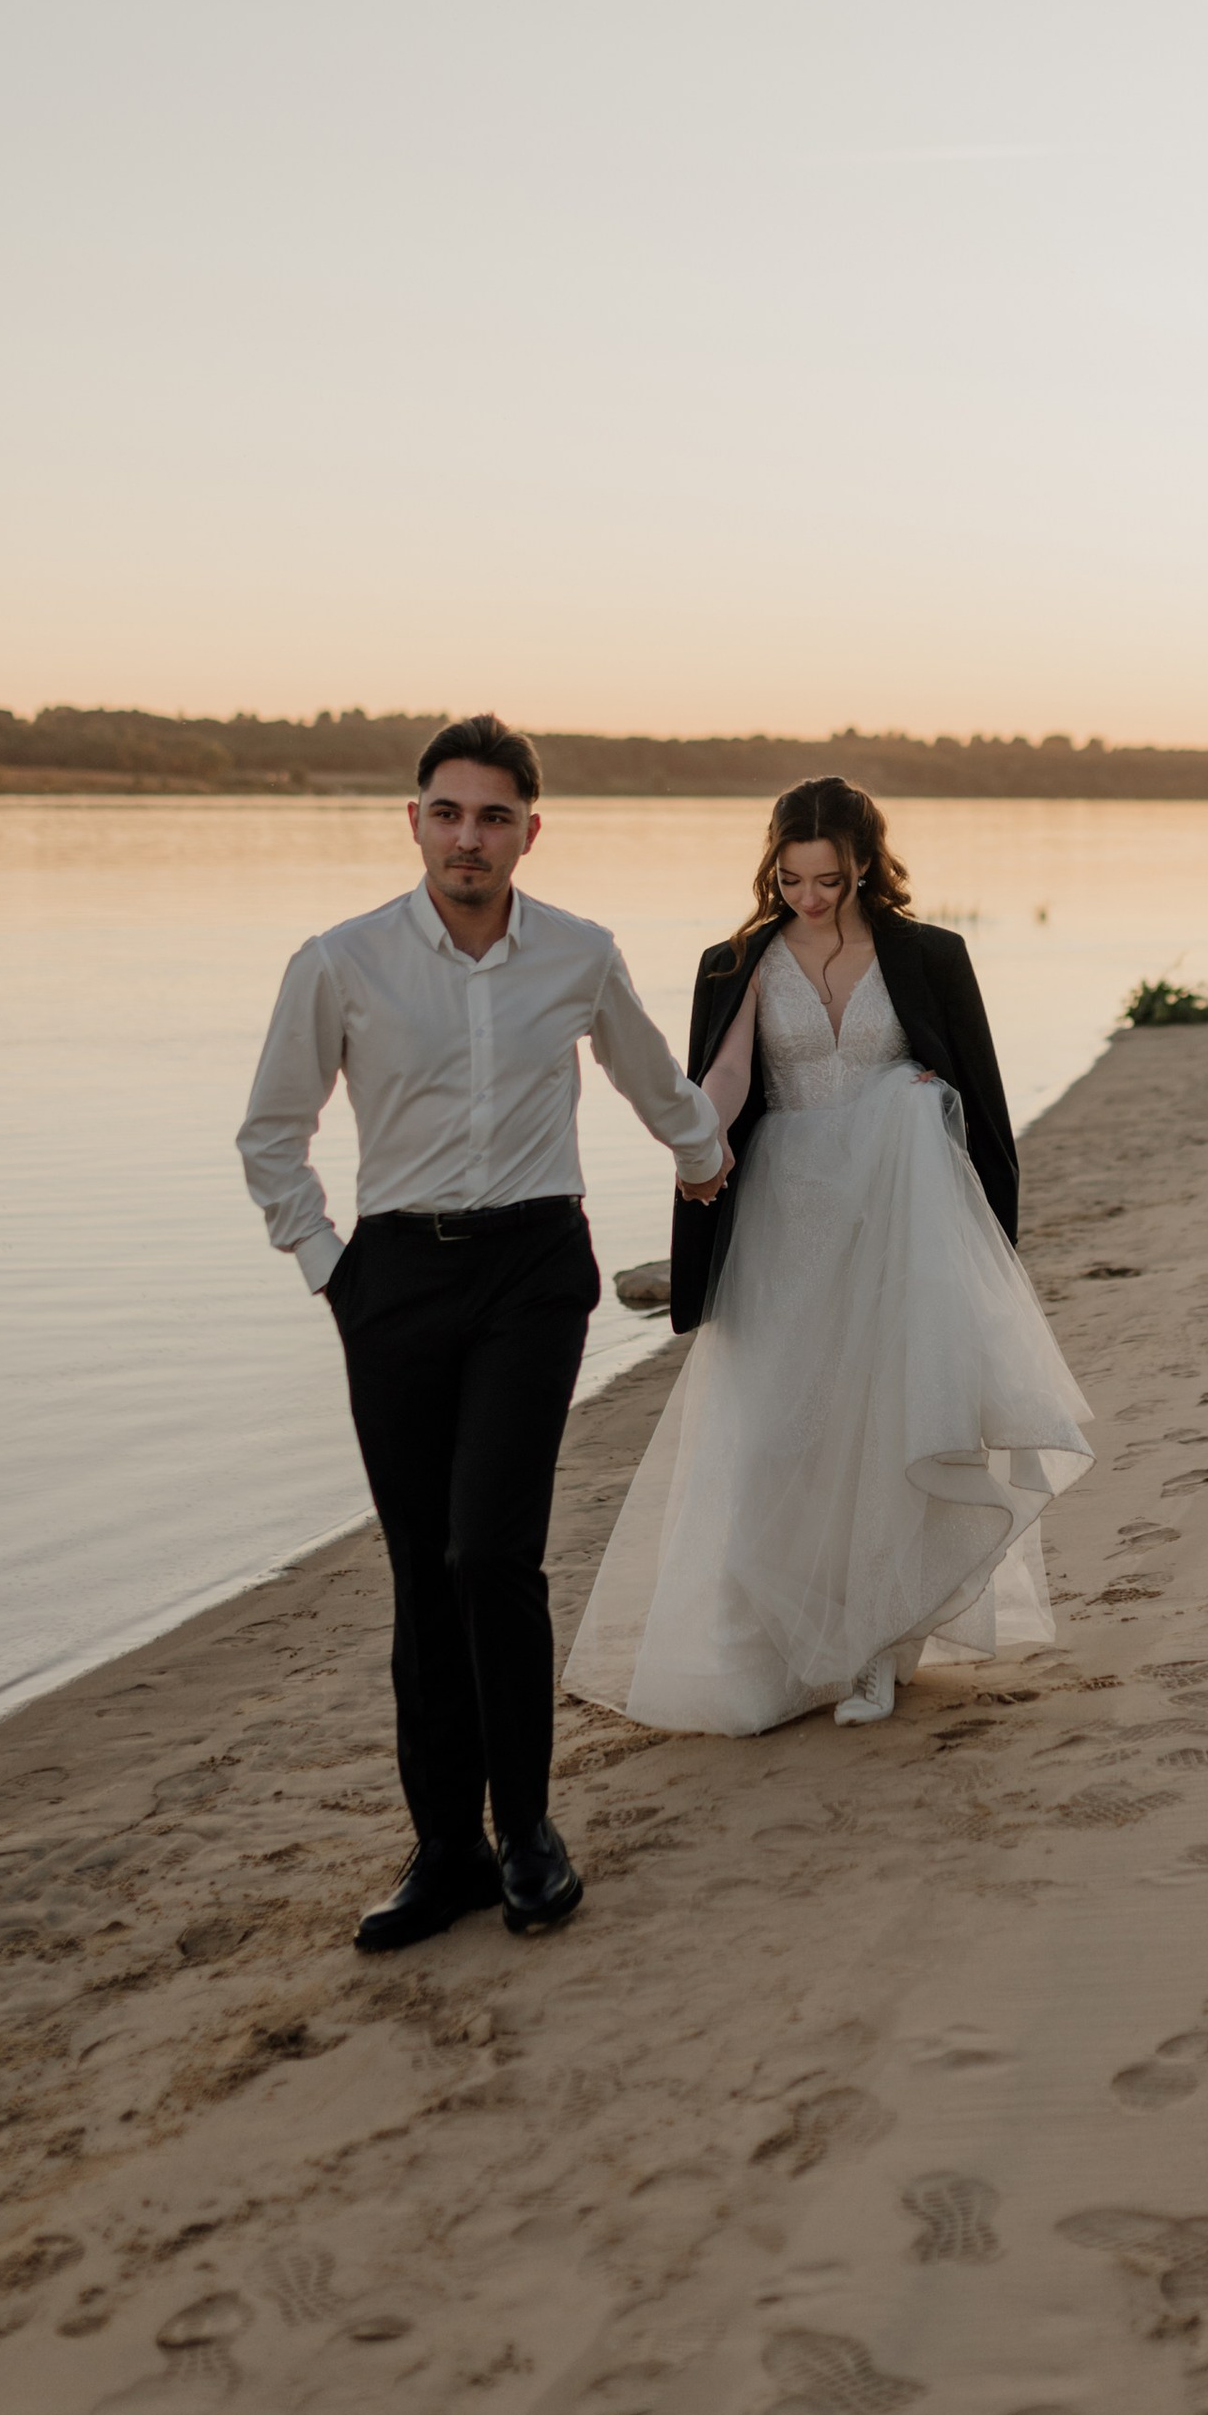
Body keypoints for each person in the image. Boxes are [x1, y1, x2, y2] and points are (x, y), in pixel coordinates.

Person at [236, 712, 727, 1951]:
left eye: (494, 815)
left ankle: (532, 1833)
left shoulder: (577, 951)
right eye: (448, 812)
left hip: (529, 1273)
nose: (470, 836)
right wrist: (331, 1268)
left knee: (491, 1554)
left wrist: (713, 1161)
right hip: (393, 1277)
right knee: (419, 1568)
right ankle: (445, 1846)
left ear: (528, 830)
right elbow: (271, 1131)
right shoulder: (340, 961)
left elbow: (651, 1078)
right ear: (414, 819)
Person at [564, 777, 1090, 1735]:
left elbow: (981, 1093)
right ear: (774, 867)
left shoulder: (930, 955)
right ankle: (776, 1644)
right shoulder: (738, 963)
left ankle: (876, 1653)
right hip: (785, 1220)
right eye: (793, 878)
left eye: (830, 880)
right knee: (780, 1440)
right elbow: (721, 1079)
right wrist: (696, 1152)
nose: (810, 898)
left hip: (900, 1218)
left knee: (887, 1431)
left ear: (863, 865)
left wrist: (934, 1126)